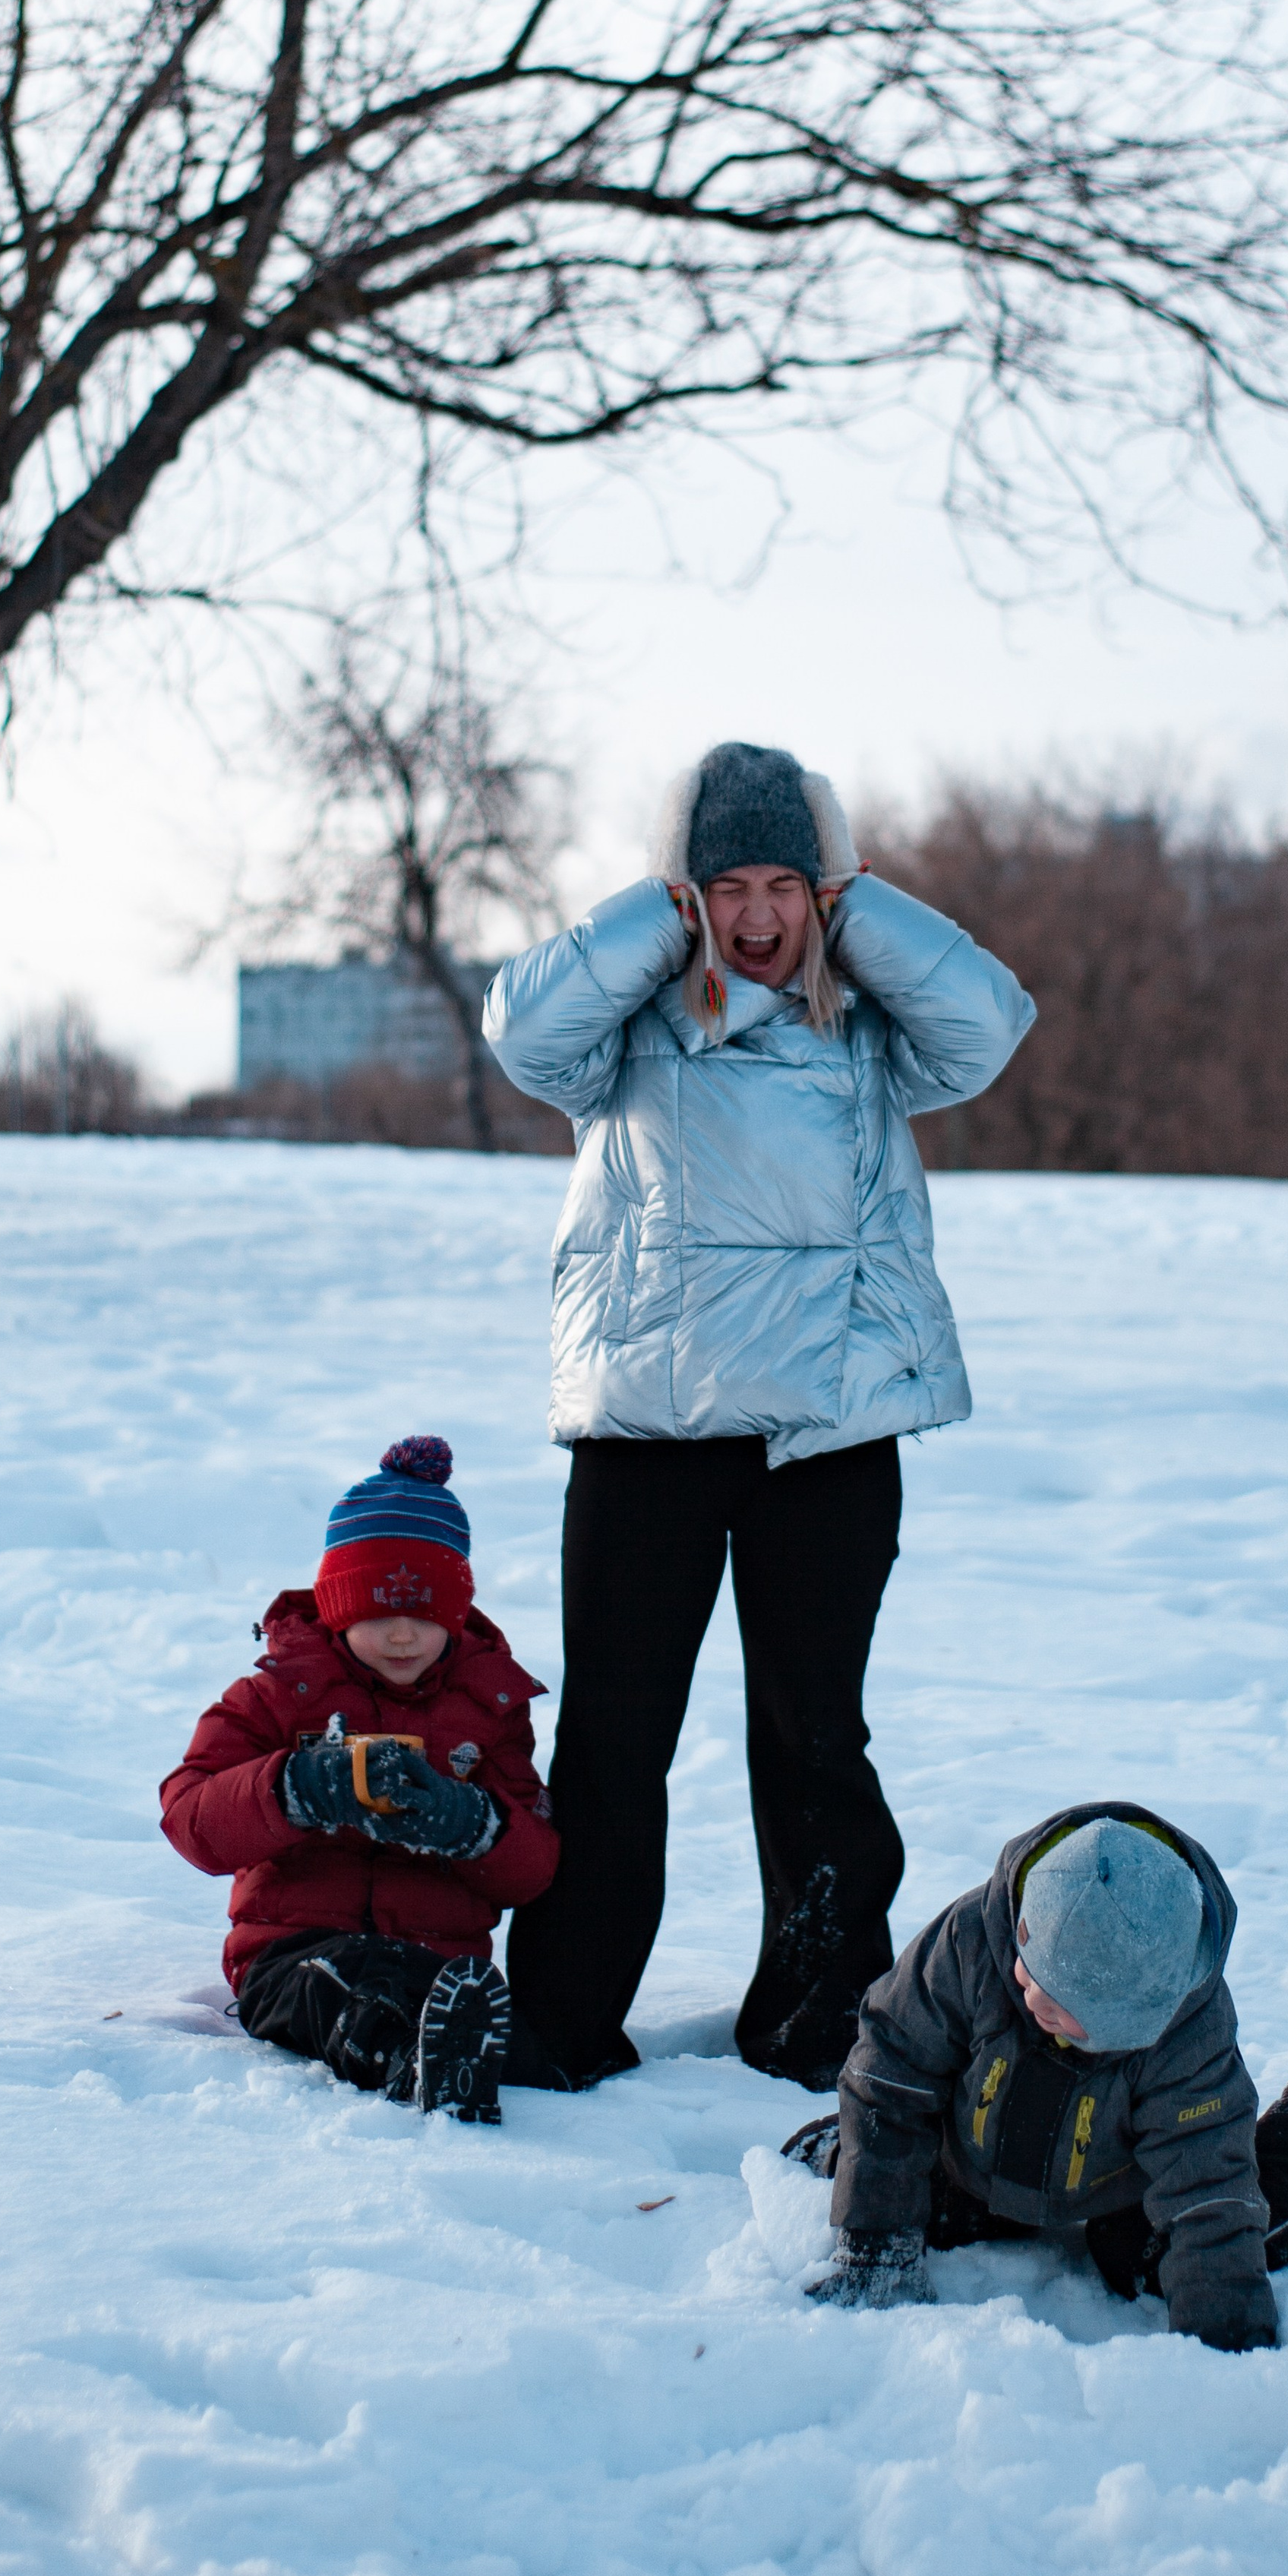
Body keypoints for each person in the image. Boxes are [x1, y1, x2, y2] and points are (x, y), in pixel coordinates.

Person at [484, 741, 1035, 2091]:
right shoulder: (626, 1033)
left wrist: (864, 904)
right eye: (727, 884)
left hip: (825, 1435)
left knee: (816, 1741)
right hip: (647, 1435)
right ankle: (559, 2021)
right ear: (688, 896)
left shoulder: (870, 1031)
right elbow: (518, 1030)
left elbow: (991, 1023)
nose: (758, 914)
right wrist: (653, 914)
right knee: (613, 1740)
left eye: (786, 883)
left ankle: (824, 2022)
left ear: (821, 890)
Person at [786, 1803, 1288, 2347]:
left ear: (1131, 2023)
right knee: (906, 2183)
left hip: (1118, 2182)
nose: (1025, 1986)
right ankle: (855, 2152)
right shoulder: (971, 1943)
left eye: (1057, 2000)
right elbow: (892, 2071)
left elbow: (1206, 2189)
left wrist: (1224, 2343)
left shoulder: (1186, 2039)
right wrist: (874, 2251)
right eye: (1026, 1957)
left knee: (1142, 2257)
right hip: (980, 2156)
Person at [159, 1437, 562, 2124]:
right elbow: (190, 1815)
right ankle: (414, 2065)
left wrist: (468, 1822)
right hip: (294, 1950)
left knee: (495, 2032)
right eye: (379, 1615)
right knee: (337, 1989)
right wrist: (297, 1788)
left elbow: (533, 1866)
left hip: (434, 1956)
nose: (403, 1636)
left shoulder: (489, 1706)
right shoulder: (282, 1693)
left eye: (424, 1616)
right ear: (338, 1607)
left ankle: (467, 2057)